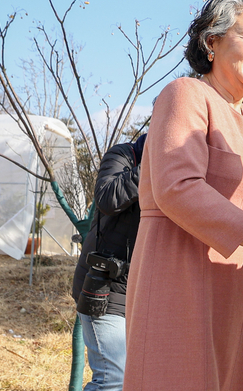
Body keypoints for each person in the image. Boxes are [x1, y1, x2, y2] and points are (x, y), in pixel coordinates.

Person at [123, 0, 243, 391]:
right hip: (177, 276)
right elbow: (177, 186)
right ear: (212, 41)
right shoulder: (185, 94)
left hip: (236, 286)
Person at [72, 132, 147, 391]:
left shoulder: (187, 165)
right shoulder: (125, 155)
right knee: (112, 380)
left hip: (146, 294)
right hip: (106, 288)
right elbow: (107, 198)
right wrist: (152, 166)